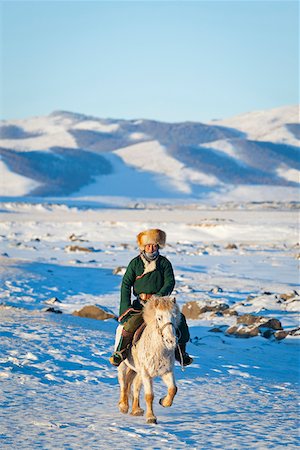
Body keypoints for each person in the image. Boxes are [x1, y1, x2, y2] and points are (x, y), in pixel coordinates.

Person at [109, 228, 193, 367]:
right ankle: (120, 352)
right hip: (141, 303)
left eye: (154, 245)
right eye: (148, 245)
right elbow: (126, 284)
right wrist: (125, 307)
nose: (151, 248)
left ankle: (181, 353)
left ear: (158, 245)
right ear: (143, 247)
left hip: (160, 304)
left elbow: (170, 281)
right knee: (131, 324)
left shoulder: (164, 263)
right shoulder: (135, 263)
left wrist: (159, 297)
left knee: (180, 320)